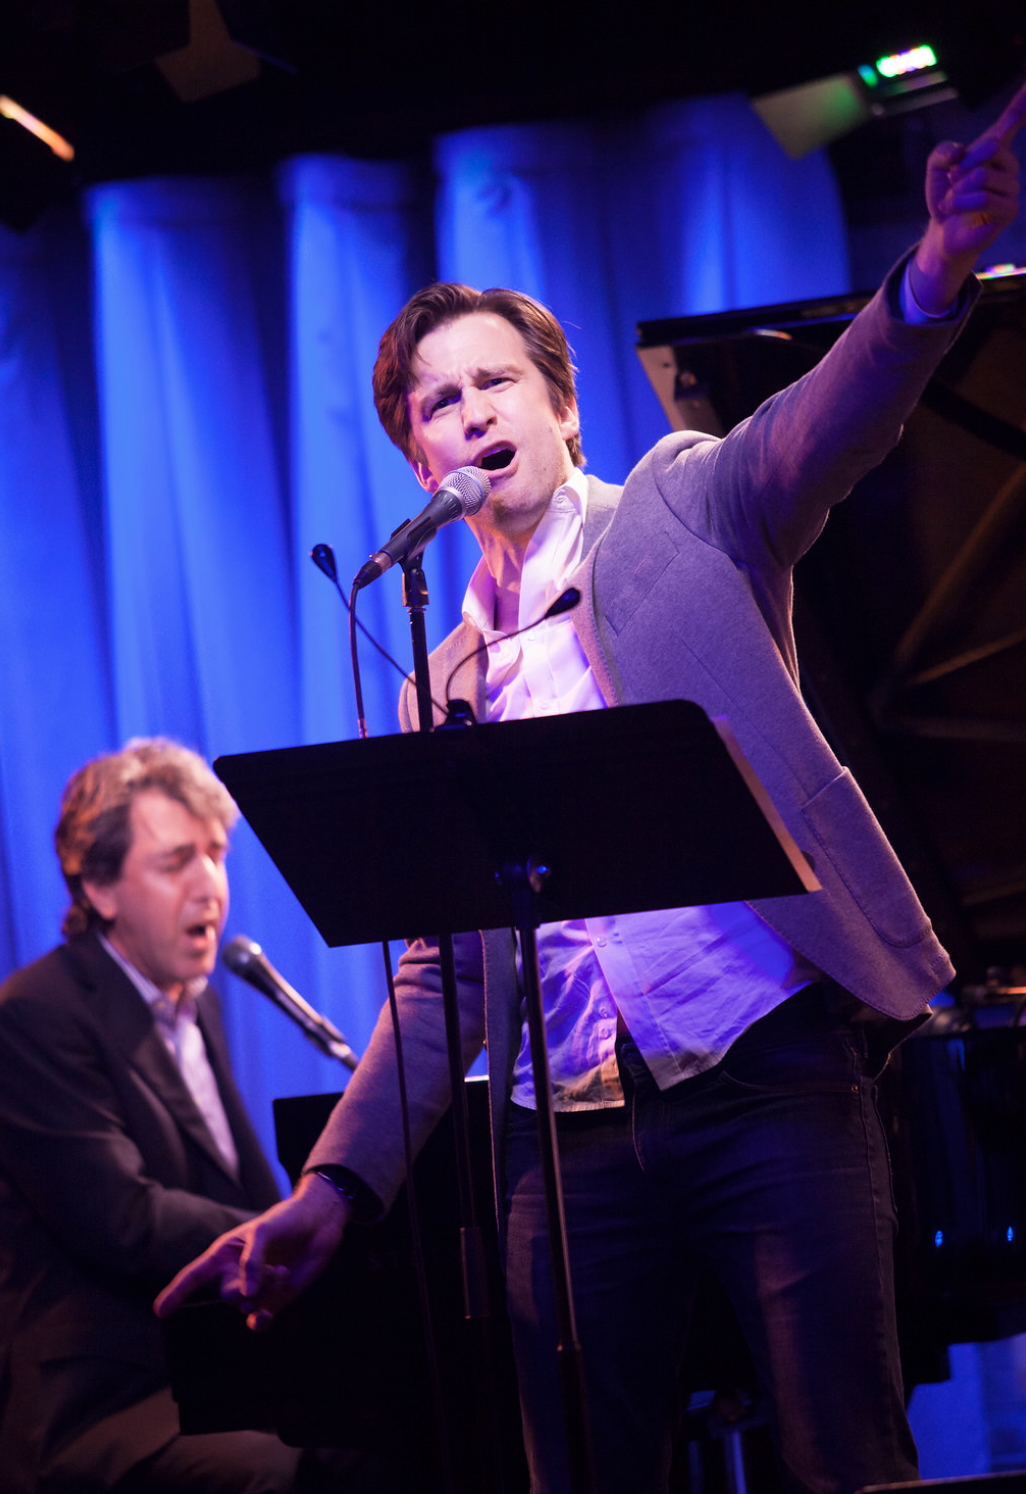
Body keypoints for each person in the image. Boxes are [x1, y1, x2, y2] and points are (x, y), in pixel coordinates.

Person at [158, 84, 1026, 1494]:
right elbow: (445, 975)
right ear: (419, 458)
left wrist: (934, 272)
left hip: (766, 1077)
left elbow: (826, 425)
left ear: (559, 406)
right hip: (564, 1141)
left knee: (841, 1460)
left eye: (496, 381)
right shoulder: (441, 676)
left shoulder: (686, 507)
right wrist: (336, 1186)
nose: (472, 412)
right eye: (439, 403)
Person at [0, 740, 335, 1493]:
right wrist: (284, 1235)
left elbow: (240, 1189)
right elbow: (124, 1218)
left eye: (216, 855)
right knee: (294, 1473)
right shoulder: (34, 1014)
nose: (210, 885)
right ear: (99, 887)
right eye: (177, 861)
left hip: (212, 1370)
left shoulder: (198, 1006)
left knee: (394, 1431)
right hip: (103, 1399)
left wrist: (321, 1223)